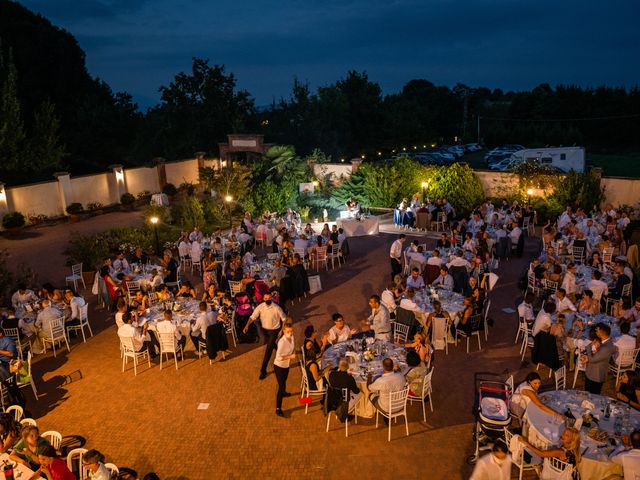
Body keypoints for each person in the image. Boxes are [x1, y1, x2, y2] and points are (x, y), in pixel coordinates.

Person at [243, 293, 287, 380]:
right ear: (263, 299)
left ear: (272, 298)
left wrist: (282, 330)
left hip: (274, 331)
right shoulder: (260, 307)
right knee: (272, 344)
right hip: (264, 331)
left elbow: (284, 319)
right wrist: (246, 326)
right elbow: (253, 317)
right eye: (266, 298)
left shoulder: (277, 308)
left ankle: (263, 371)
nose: (267, 300)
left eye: (269, 298)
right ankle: (281, 351)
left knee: (268, 350)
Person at [582, 323, 616, 394]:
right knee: (587, 394)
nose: (596, 332)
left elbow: (592, 359)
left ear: (601, 332)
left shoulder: (606, 347)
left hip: (596, 376)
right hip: (592, 373)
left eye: (597, 330)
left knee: (592, 397)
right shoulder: (603, 342)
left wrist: (588, 347)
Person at [274, 320, 296, 417]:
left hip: (286, 365)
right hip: (279, 366)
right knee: (281, 385)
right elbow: (278, 357)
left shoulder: (292, 337)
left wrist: (292, 353)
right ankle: (278, 408)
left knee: (284, 381)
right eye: (288, 332)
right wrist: (290, 357)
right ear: (284, 331)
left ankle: (284, 392)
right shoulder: (281, 342)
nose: (290, 333)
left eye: (291, 331)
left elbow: (292, 347)